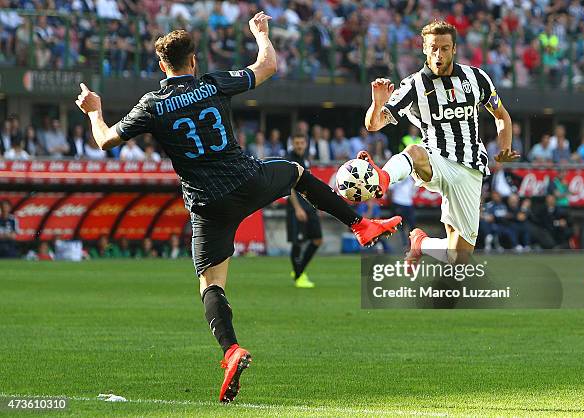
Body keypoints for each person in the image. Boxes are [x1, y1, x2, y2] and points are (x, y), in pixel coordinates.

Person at [75, 13, 400, 404]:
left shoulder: (152, 104)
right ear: (193, 60)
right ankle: (360, 224)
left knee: (211, 285)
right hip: (247, 180)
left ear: (162, 66)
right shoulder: (212, 84)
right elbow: (268, 66)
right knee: (296, 172)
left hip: (208, 204)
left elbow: (106, 140)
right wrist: (260, 34)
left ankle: (231, 351)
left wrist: (94, 109)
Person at [360, 20, 519, 265]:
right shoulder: (414, 85)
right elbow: (374, 124)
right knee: (414, 152)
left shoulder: (476, 78)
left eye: (444, 48)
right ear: (424, 49)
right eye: (433, 48)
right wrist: (377, 103)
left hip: (469, 166)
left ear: (454, 49)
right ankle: (383, 178)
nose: (438, 54)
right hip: (436, 158)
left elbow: (502, 116)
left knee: (460, 257)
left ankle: (421, 243)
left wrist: (505, 147)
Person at [286, 134, 321, 289]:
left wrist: (316, 204)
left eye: (301, 143)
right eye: (296, 143)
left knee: (317, 239)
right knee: (298, 242)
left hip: (309, 206)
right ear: (293, 144)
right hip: (297, 208)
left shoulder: (306, 159)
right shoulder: (290, 160)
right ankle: (299, 276)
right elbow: (289, 187)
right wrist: (298, 208)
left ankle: (299, 271)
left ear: (306, 144)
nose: (299, 145)